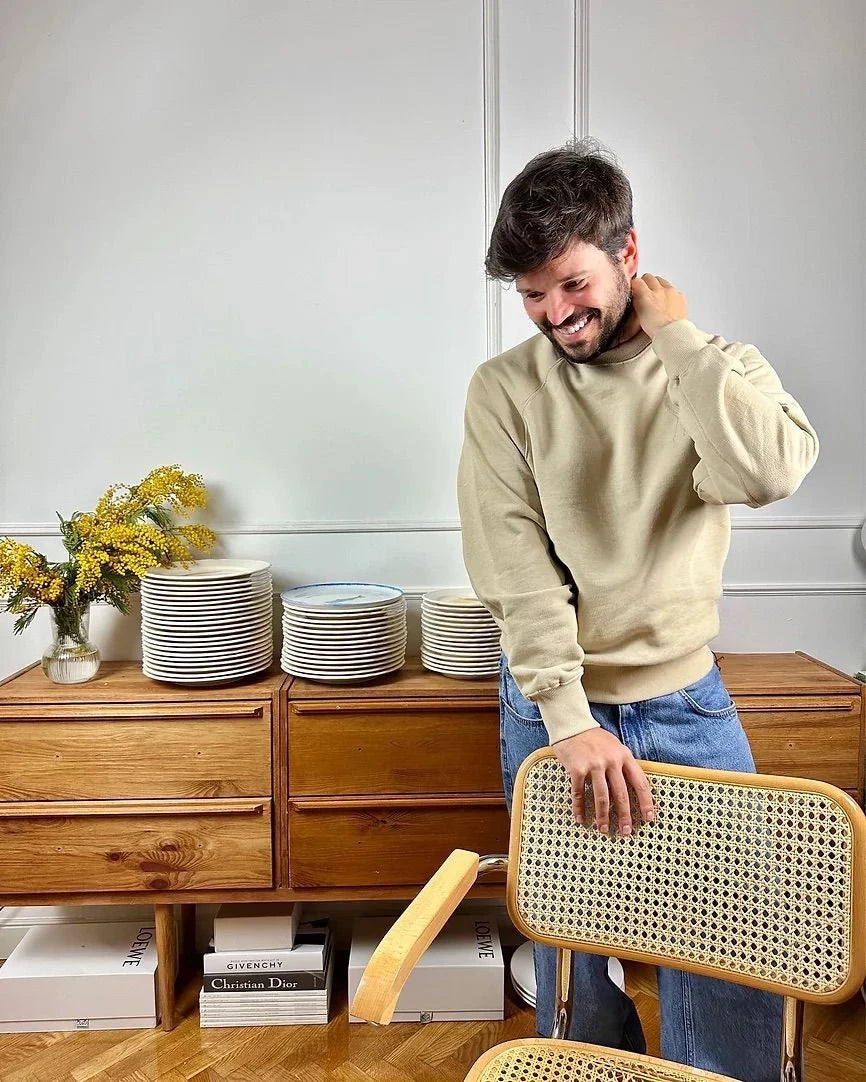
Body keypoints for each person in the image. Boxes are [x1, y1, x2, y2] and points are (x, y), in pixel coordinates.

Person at [456, 139, 819, 1082]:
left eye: (570, 282)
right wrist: (567, 723)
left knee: (740, 944)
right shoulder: (503, 391)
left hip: (684, 699)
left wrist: (678, 341)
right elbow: (514, 570)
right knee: (575, 953)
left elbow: (767, 471)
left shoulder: (713, 365)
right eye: (532, 295)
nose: (554, 314)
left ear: (628, 254)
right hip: (554, 705)